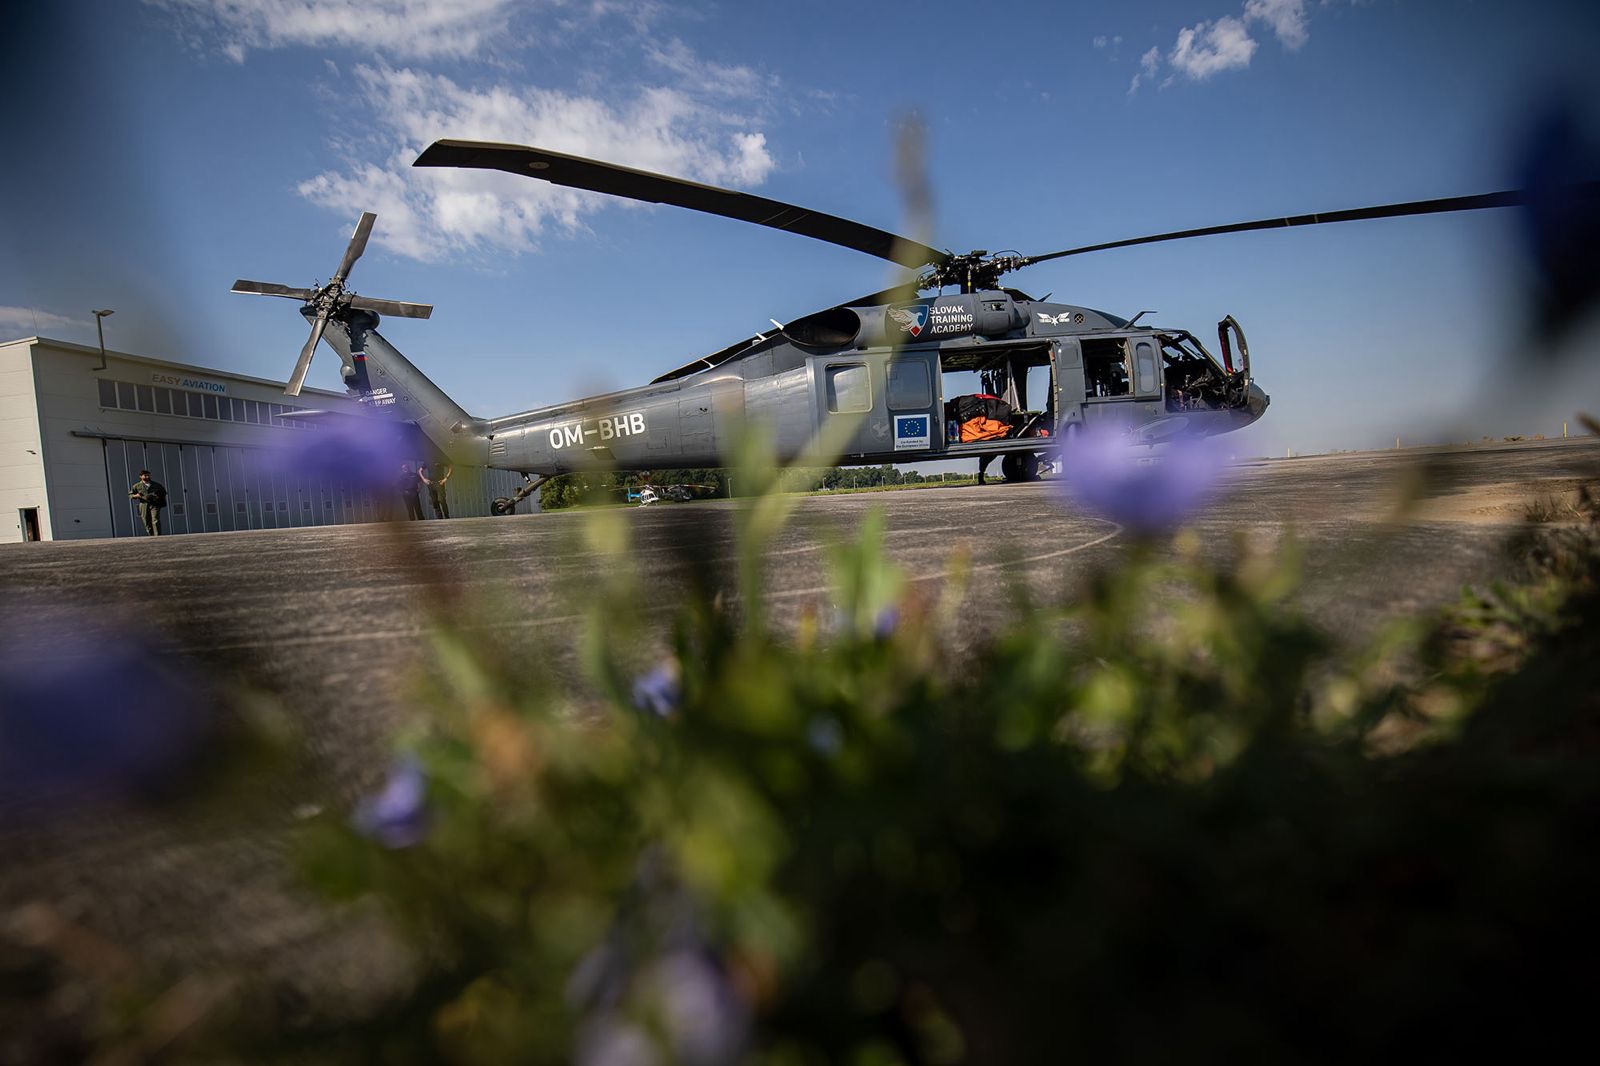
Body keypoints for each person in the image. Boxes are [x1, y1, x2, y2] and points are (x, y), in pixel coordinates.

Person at [127, 469, 168, 536]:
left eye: (148, 475)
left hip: (155, 504)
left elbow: (164, 492)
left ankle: (158, 536)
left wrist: (158, 496)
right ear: (141, 476)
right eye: (145, 476)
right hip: (143, 504)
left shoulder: (156, 485)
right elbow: (130, 495)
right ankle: (151, 535)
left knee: (155, 519)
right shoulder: (137, 486)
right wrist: (136, 495)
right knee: (146, 521)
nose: (147, 477)